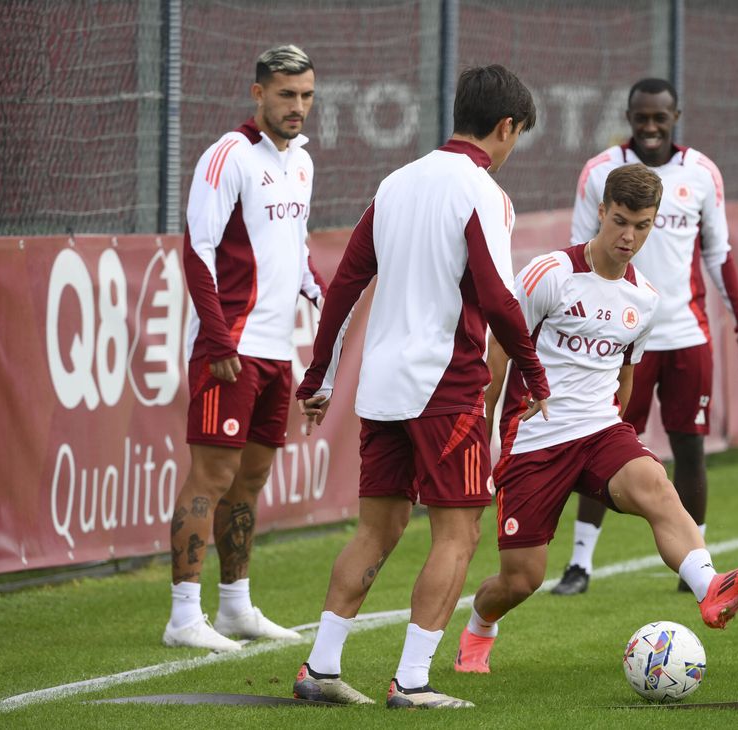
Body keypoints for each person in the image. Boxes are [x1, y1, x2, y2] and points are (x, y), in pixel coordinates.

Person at [291, 65, 551, 709]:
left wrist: (318, 375)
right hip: (447, 387)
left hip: (381, 386)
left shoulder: (396, 183)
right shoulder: (482, 191)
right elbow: (496, 295)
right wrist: (533, 369)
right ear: (506, 126)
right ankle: (412, 680)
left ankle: (321, 669)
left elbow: (345, 285)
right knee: (457, 535)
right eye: (517, 135)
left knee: (374, 531)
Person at [454, 163, 738, 675]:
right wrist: (481, 439)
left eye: (642, 225)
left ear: (654, 223)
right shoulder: (550, 274)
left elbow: (624, 374)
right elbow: (498, 355)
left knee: (655, 485)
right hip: (535, 439)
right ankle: (478, 628)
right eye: (620, 221)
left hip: (600, 431)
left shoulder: (645, 298)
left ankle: (711, 588)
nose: (628, 236)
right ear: (600, 212)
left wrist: (617, 438)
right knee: (521, 580)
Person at [551, 78, 738, 596]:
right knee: (599, 445)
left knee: (690, 448)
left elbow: (719, 253)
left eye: (659, 118)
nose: (649, 127)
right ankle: (579, 564)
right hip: (616, 337)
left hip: (686, 334)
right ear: (628, 115)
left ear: (676, 116)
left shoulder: (702, 174)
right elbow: (578, 249)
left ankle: (699, 566)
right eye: (640, 117)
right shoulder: (600, 172)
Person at [163, 45, 324, 652]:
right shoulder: (227, 156)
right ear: (258, 94)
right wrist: (217, 334)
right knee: (211, 474)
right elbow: (197, 249)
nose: (298, 107)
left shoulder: (301, 163)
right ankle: (183, 616)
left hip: (276, 351)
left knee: (251, 480)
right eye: (287, 95)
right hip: (229, 348)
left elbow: (297, 249)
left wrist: (322, 298)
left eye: (306, 95)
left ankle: (234, 607)